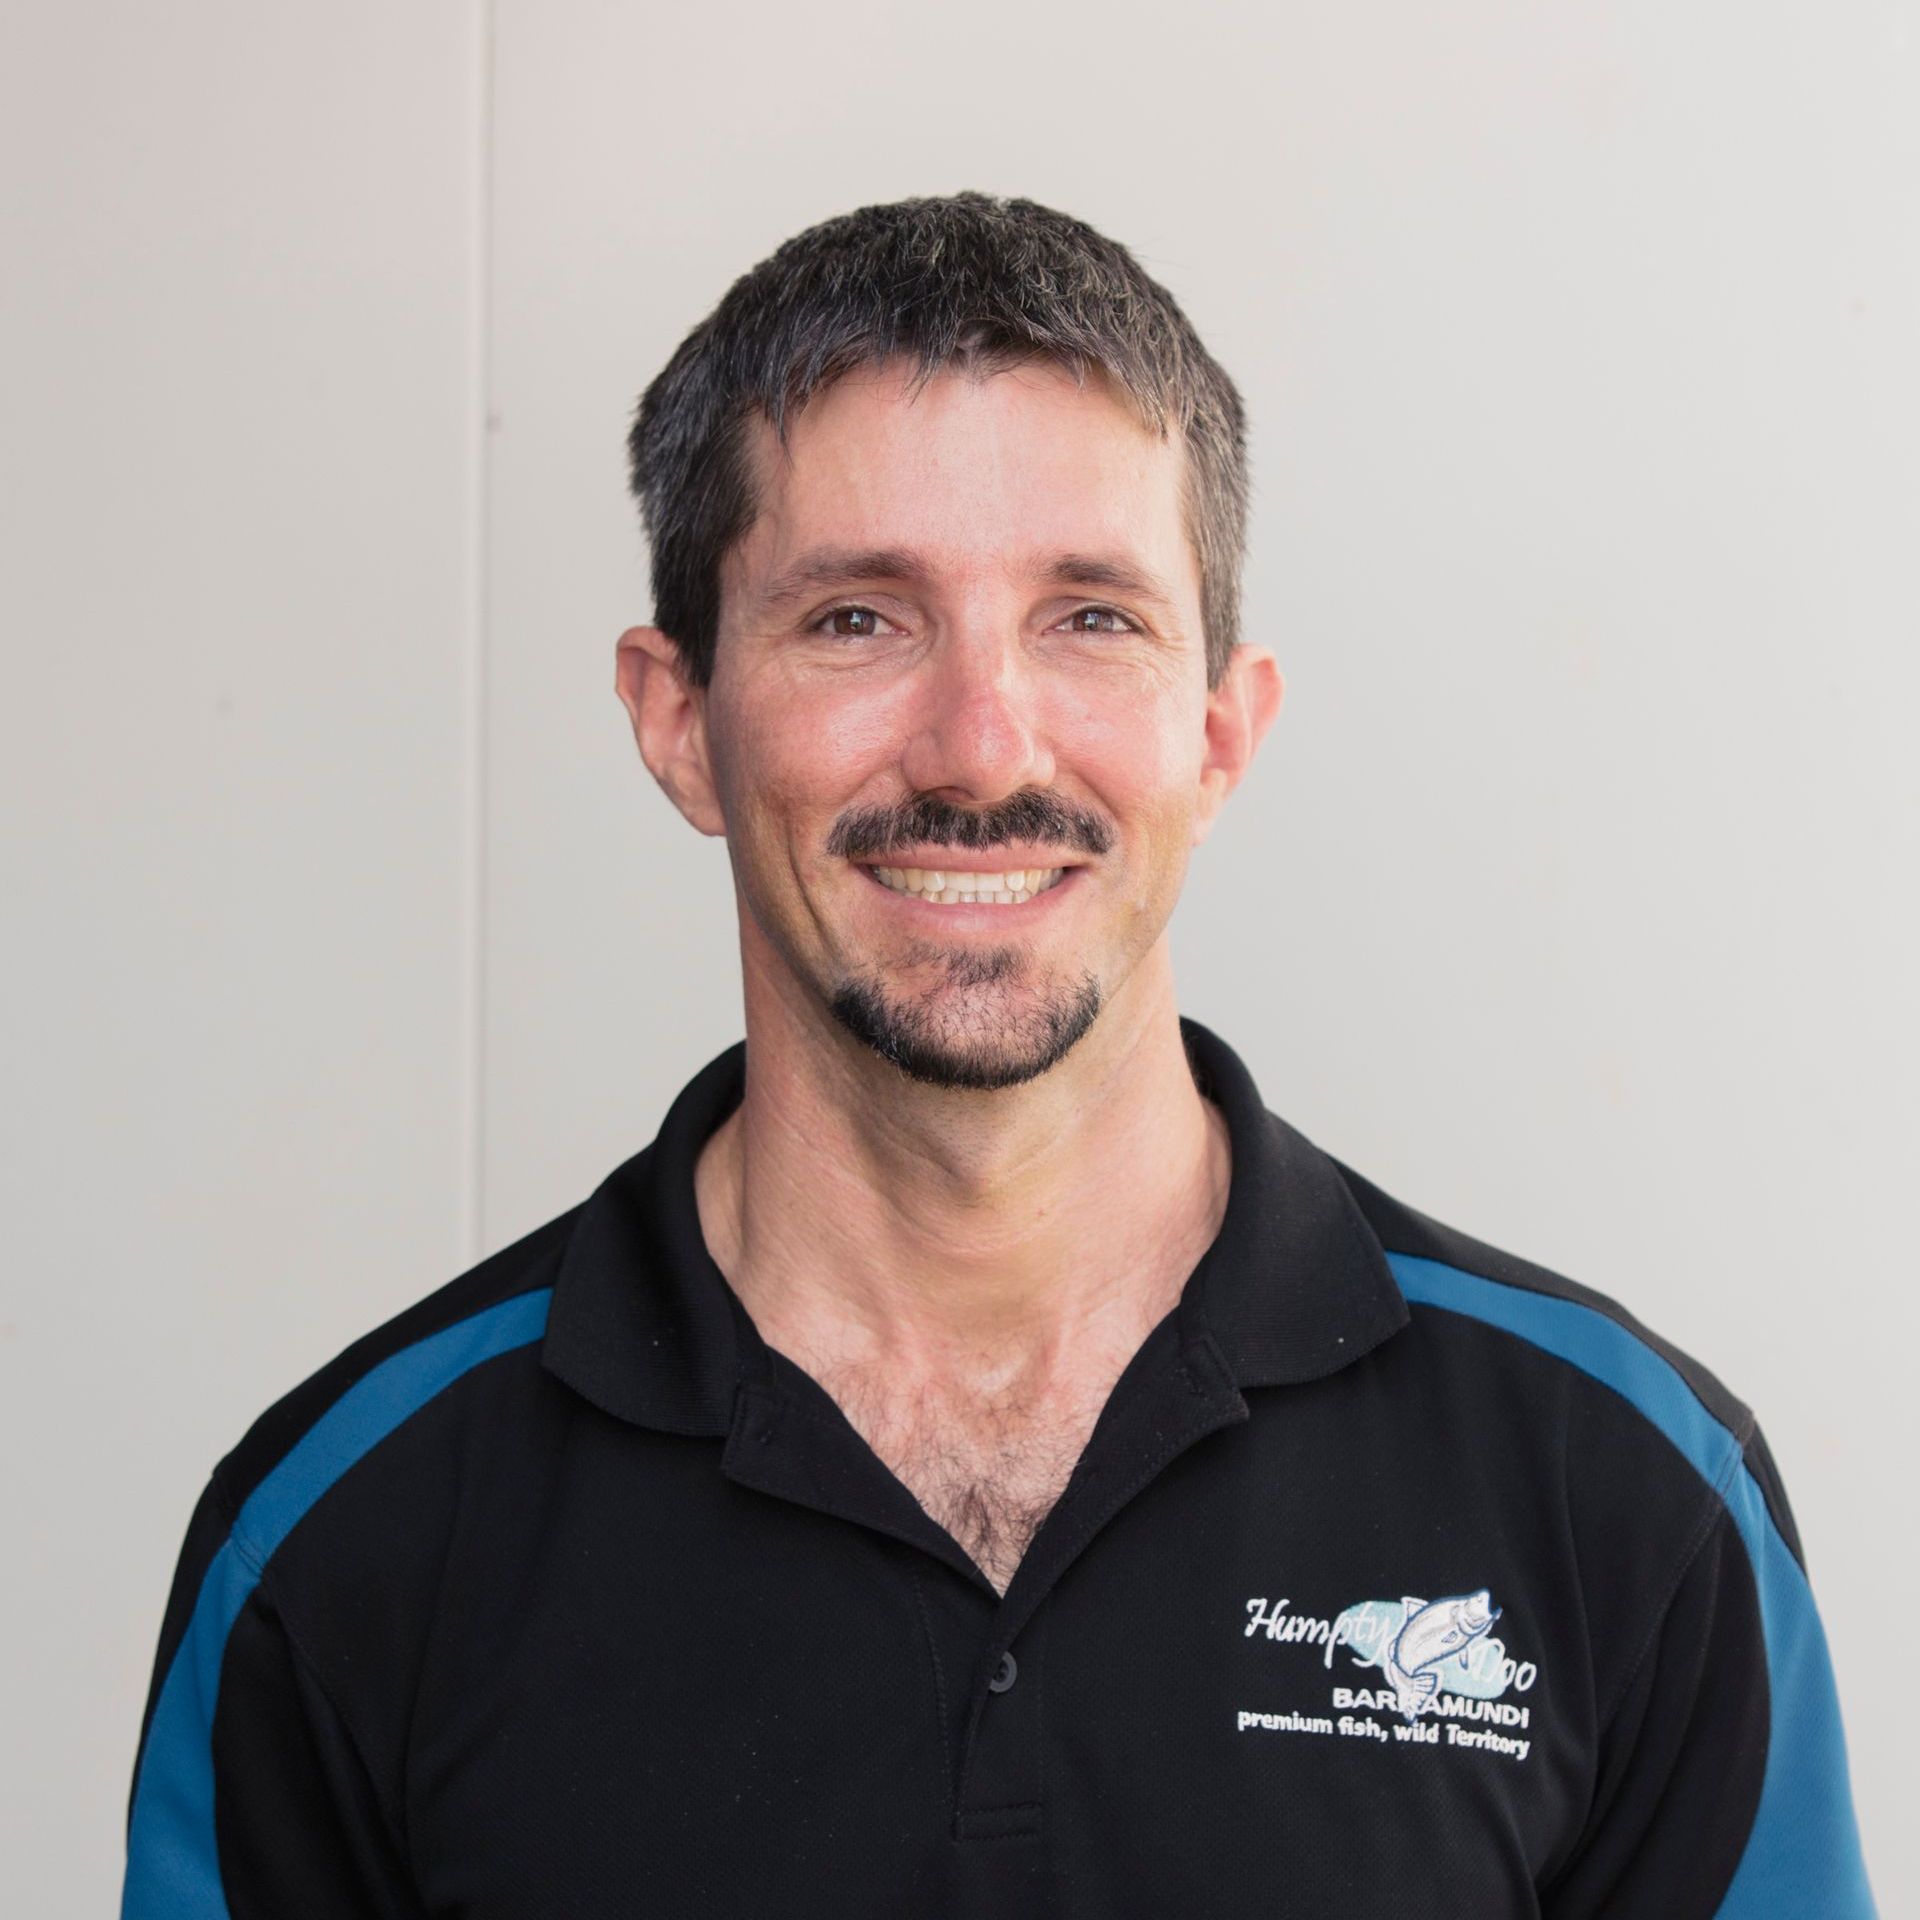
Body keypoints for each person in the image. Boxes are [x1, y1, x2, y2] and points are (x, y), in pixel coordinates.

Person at [120, 192, 1875, 1918]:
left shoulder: (1620, 1491)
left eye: (1089, 616)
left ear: (1220, 731)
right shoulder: (347, 1538)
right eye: (858, 618)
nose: (980, 747)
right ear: (680, 720)